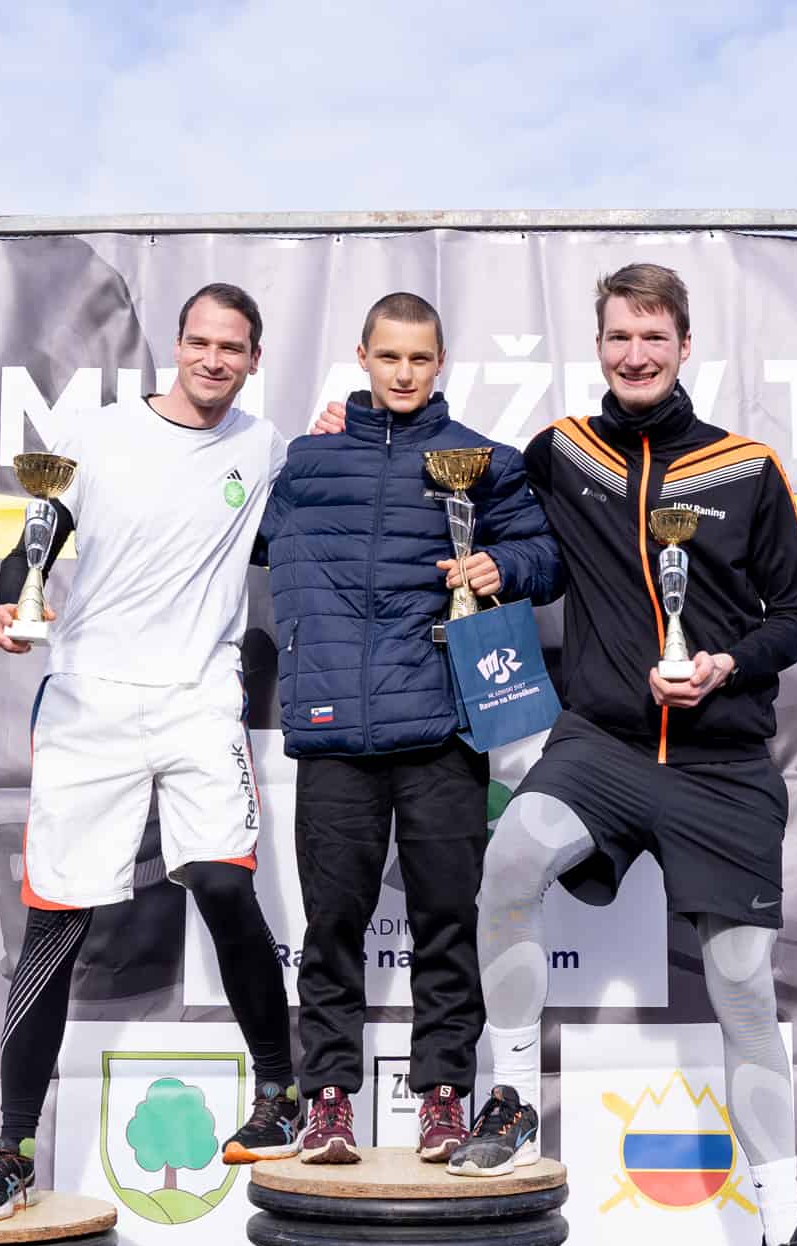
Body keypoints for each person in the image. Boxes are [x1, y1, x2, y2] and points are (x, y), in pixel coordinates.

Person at [387, 262, 797, 1246]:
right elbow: (460, 477)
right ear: (598, 345)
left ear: (684, 346)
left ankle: (784, 1238)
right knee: (511, 859)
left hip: (720, 764)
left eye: (653, 337)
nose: (635, 354)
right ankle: (512, 1102)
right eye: (618, 337)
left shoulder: (747, 468)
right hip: (601, 746)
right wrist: (360, 420)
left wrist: (726, 665)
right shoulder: (562, 453)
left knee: (743, 990)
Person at [0, 283, 300, 1221]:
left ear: (254, 359)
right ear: (177, 346)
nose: (214, 360)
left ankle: (281, 1094)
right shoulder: (98, 437)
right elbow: (39, 532)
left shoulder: (265, 449)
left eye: (233, 347)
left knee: (223, 884)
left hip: (198, 697)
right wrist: (12, 594)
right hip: (90, 700)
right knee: (57, 922)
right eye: (201, 342)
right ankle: (12, 1149)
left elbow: (313, 530)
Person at [260, 291, 562, 1165]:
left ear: (440, 364)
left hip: (442, 731)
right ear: (361, 357)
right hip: (336, 735)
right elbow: (229, 537)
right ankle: (327, 1102)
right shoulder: (306, 463)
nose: (403, 372)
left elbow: (547, 558)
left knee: (446, 924)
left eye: (419, 358)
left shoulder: (482, 460)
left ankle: (443, 1098)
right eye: (388, 356)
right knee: (331, 929)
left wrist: (500, 564)